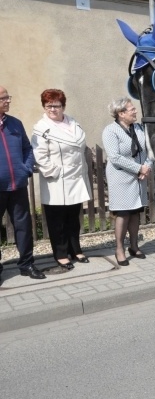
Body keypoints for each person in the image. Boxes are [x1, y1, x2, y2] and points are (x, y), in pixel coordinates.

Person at [30, 89, 92, 271]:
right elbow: (39, 156)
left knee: (73, 217)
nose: (52, 110)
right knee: (57, 220)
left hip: (76, 177)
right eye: (48, 105)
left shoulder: (73, 122)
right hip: (56, 181)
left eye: (56, 105)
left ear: (63, 106)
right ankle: (61, 254)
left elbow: (80, 148)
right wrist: (55, 171)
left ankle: (76, 250)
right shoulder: (41, 128)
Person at [0, 86, 44, 283]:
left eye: (8, 97)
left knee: (23, 226)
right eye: (3, 98)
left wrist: (25, 169)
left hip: (17, 185)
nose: (8, 101)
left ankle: (26, 264)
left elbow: (27, 148)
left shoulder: (15, 124)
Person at [102, 97, 153, 266]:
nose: (135, 111)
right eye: (132, 109)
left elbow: (148, 150)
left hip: (139, 177)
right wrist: (138, 168)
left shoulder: (138, 128)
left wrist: (146, 167)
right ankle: (119, 249)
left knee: (135, 211)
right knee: (123, 213)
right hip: (121, 178)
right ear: (121, 114)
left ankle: (133, 246)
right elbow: (114, 157)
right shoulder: (110, 131)